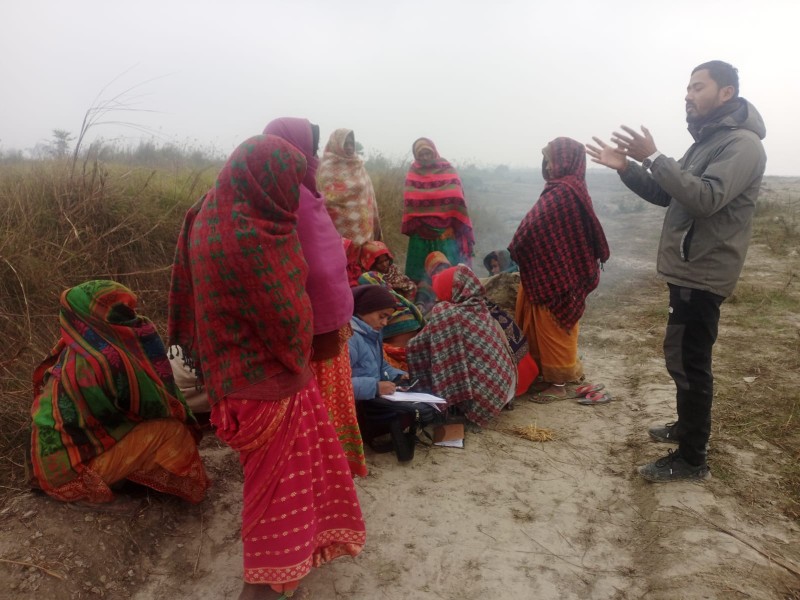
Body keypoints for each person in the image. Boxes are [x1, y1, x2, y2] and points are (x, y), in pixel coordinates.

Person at [168, 134, 365, 600]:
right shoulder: (256, 237)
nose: (291, 197)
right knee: (277, 494)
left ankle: (284, 571)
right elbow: (287, 321)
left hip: (228, 379)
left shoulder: (209, 218)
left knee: (270, 484)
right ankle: (264, 585)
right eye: (288, 184)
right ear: (268, 182)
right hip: (267, 384)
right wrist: (303, 346)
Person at [586, 60, 766, 482]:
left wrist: (655, 156)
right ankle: (686, 430)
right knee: (683, 356)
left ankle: (691, 459)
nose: (688, 95)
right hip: (689, 268)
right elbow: (670, 196)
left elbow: (704, 199)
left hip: (703, 272)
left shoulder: (741, 145)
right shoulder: (707, 142)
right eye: (687, 88)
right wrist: (629, 168)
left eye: (698, 87)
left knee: (689, 362)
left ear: (726, 93)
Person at [29, 280, 210, 508]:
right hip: (71, 476)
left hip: (52, 467)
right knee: (173, 432)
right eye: (123, 312)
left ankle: (125, 475)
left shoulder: (77, 348)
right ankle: (174, 490)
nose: (133, 319)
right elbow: (154, 406)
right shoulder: (105, 359)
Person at [264, 117, 368, 478]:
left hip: (330, 321)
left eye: (310, 149)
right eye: (305, 148)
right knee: (310, 403)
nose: (308, 156)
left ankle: (329, 467)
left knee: (328, 400)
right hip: (302, 326)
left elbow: (327, 259)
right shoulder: (280, 200)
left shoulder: (308, 195)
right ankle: (312, 469)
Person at [509, 137, 610, 401]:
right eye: (547, 161)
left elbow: (534, 228)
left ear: (565, 161)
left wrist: (519, 245)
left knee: (555, 326)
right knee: (545, 325)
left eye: (552, 160)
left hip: (559, 276)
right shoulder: (565, 188)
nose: (549, 166)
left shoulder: (564, 192)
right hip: (554, 272)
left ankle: (559, 384)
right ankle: (548, 375)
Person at [407, 265, 517, 427]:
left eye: (441, 290)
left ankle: (452, 407)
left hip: (484, 398)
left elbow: (416, 346)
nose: (437, 297)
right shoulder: (478, 305)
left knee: (429, 354)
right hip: (502, 389)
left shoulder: (447, 312)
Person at [432, 266, 538, 398]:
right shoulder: (483, 304)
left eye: (440, 293)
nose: (437, 299)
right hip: (527, 374)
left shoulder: (464, 316)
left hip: (510, 385)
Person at [348, 285, 423, 460]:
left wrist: (399, 374)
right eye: (382, 316)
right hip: (361, 404)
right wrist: (374, 387)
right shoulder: (350, 338)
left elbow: (381, 367)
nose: (384, 323)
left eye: (387, 317)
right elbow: (337, 384)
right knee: (401, 415)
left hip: (372, 398)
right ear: (364, 309)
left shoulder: (372, 333)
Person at [402, 137, 475, 282]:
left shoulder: (448, 170)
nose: (425, 157)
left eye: (427, 153)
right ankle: (419, 298)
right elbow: (409, 200)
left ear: (434, 152)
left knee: (449, 274)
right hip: (420, 231)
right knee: (418, 277)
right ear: (416, 156)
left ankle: (449, 293)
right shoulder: (413, 172)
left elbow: (457, 197)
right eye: (420, 155)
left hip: (445, 231)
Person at [317, 128, 382, 244]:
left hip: (362, 228)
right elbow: (325, 199)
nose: (349, 147)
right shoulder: (326, 169)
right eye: (345, 143)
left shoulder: (358, 165)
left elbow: (368, 195)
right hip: (337, 228)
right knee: (343, 257)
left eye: (351, 143)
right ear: (336, 145)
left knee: (363, 258)